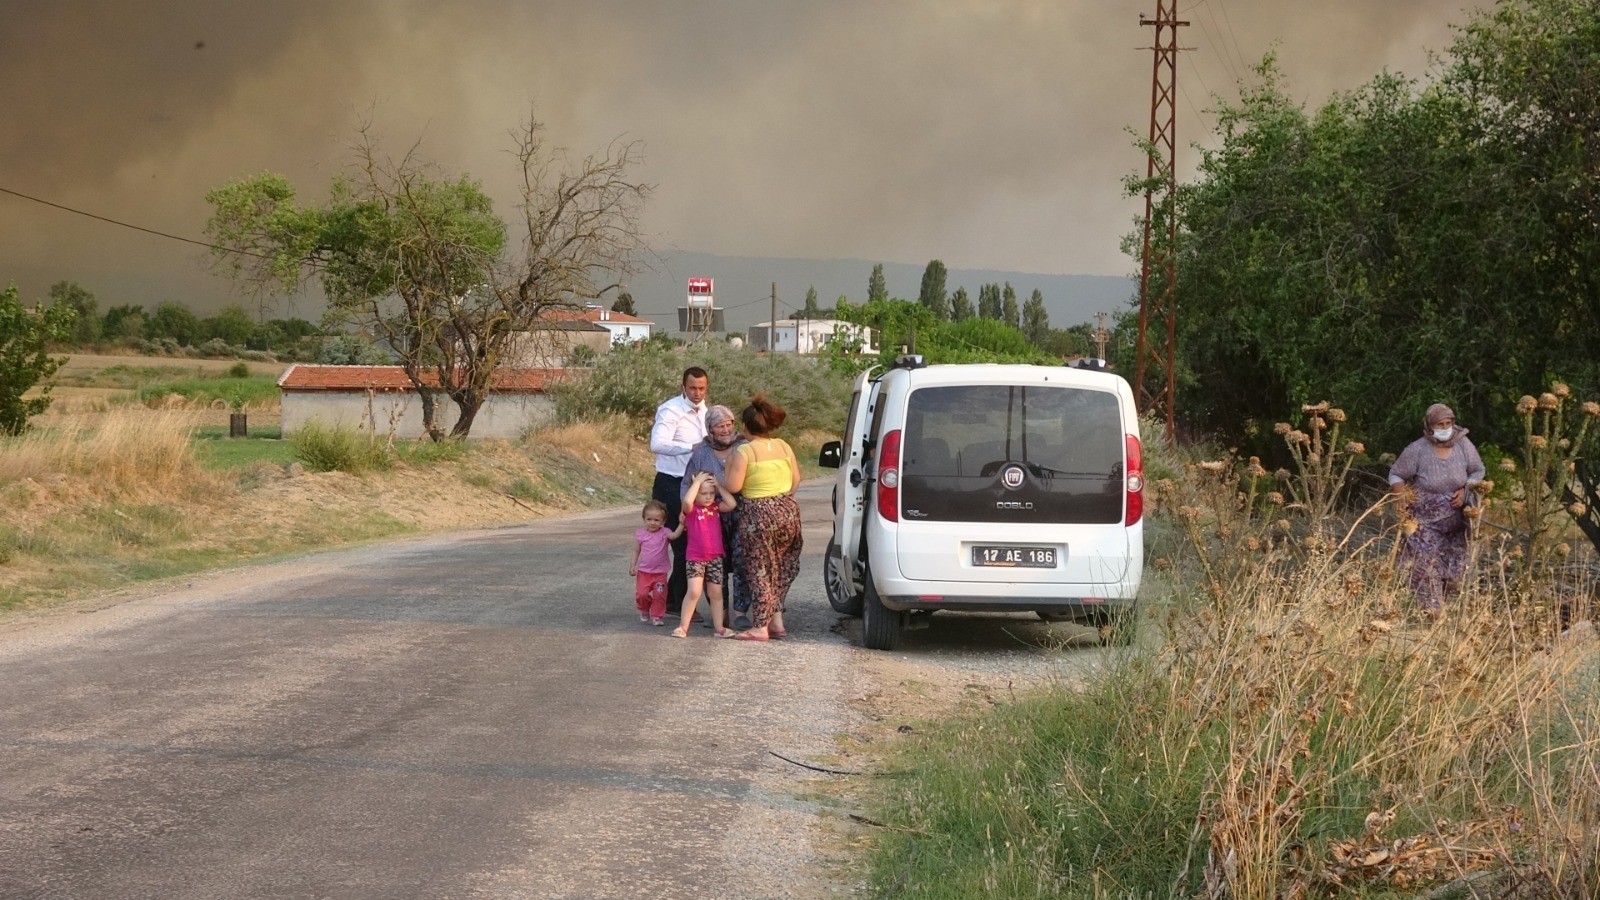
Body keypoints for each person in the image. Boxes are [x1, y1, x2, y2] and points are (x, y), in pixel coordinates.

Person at [1388, 403, 1485, 613]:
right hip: (1425, 523)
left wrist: (1466, 490)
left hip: (1457, 524)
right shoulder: (1418, 449)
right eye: (1440, 424)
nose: (1445, 427)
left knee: (1454, 572)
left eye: (1448, 423)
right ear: (1430, 426)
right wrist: (1400, 498)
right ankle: (1432, 615)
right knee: (1424, 568)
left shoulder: (1463, 445)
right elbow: (1396, 474)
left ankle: (1442, 615)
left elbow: (1478, 471)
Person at [721, 394, 803, 642]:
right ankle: (776, 622)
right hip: (787, 510)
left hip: (758, 514)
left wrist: (726, 469)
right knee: (781, 567)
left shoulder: (745, 451)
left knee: (760, 569)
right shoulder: (783, 446)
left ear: (746, 426)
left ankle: (759, 626)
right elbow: (795, 480)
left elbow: (734, 486)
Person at [682, 405, 752, 629]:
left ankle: (740, 612)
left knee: (741, 561)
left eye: (729, 424)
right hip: (710, 514)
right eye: (720, 426)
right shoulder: (701, 453)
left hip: (740, 510)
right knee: (714, 562)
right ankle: (720, 614)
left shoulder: (744, 446)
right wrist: (685, 510)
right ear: (710, 429)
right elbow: (686, 482)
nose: (726, 430)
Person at [650, 367, 709, 613]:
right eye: (693, 388)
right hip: (671, 483)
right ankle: (677, 602)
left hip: (696, 485)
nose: (697, 393)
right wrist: (690, 447)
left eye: (702, 388)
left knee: (696, 544)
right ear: (683, 387)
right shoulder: (670, 410)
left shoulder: (706, 411)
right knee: (682, 544)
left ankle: (675, 599)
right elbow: (657, 444)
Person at [672, 471, 737, 638]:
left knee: (716, 593)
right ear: (695, 492)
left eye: (711, 493)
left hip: (715, 557)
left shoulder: (715, 507)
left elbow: (731, 504)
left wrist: (719, 486)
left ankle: (719, 628)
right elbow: (687, 501)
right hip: (695, 558)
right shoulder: (691, 510)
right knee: (694, 592)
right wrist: (696, 483)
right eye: (703, 493)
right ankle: (683, 627)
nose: (708, 497)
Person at [628, 499, 682, 626]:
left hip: (660, 573)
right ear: (644, 519)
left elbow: (674, 536)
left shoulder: (665, 532)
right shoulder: (641, 534)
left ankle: (657, 616)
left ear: (663, 521)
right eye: (649, 519)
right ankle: (645, 608)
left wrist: (682, 524)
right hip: (644, 572)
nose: (652, 523)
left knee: (659, 595)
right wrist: (632, 565)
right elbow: (636, 550)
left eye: (656, 520)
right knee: (641, 594)